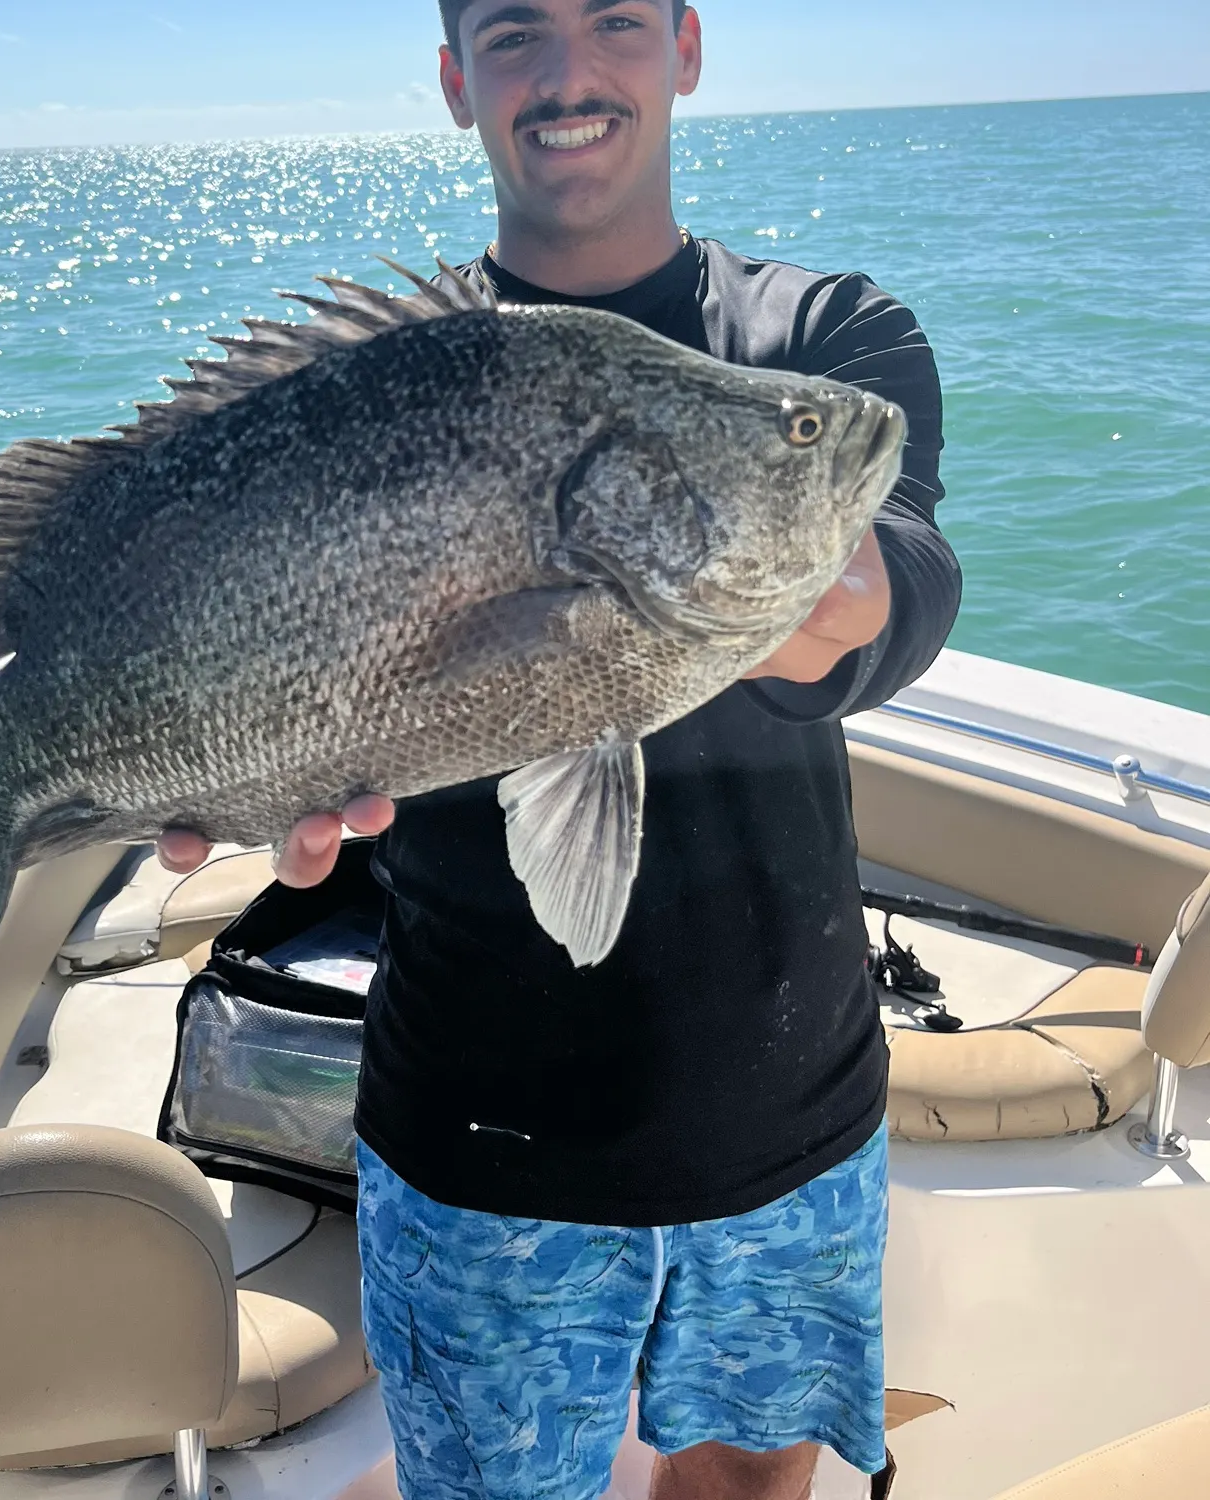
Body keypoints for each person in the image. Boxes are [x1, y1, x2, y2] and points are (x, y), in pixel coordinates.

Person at [159, 2, 961, 1495]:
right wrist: (245, 736)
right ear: (459, 80)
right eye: (517, 31)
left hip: (791, 1123)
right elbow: (285, 623)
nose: (569, 72)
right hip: (477, 1136)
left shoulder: (824, 343)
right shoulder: (395, 375)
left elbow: (900, 579)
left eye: (613, 21)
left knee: (745, 1484)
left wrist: (829, 593)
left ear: (687, 44)